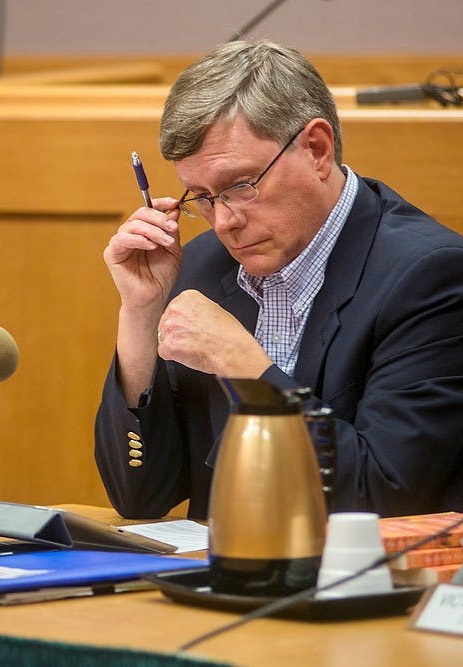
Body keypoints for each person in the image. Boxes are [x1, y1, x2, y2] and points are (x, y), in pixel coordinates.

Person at [95, 40, 463, 520]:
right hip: (223, 578)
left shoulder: (428, 276)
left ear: (317, 149)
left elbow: (384, 495)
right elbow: (140, 495)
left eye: (240, 186)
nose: (223, 221)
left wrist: (246, 367)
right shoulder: (202, 266)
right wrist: (140, 317)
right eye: (202, 197)